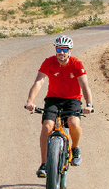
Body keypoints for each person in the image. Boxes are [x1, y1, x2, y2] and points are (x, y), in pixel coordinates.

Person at [25, 35, 94, 178]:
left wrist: (89, 104)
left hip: (72, 99)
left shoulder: (76, 64)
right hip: (53, 99)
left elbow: (84, 85)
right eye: (58, 49)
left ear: (70, 51)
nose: (61, 52)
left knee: (73, 123)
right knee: (47, 127)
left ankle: (75, 148)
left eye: (65, 49)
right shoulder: (49, 62)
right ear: (55, 50)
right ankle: (44, 164)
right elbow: (39, 82)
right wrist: (30, 101)